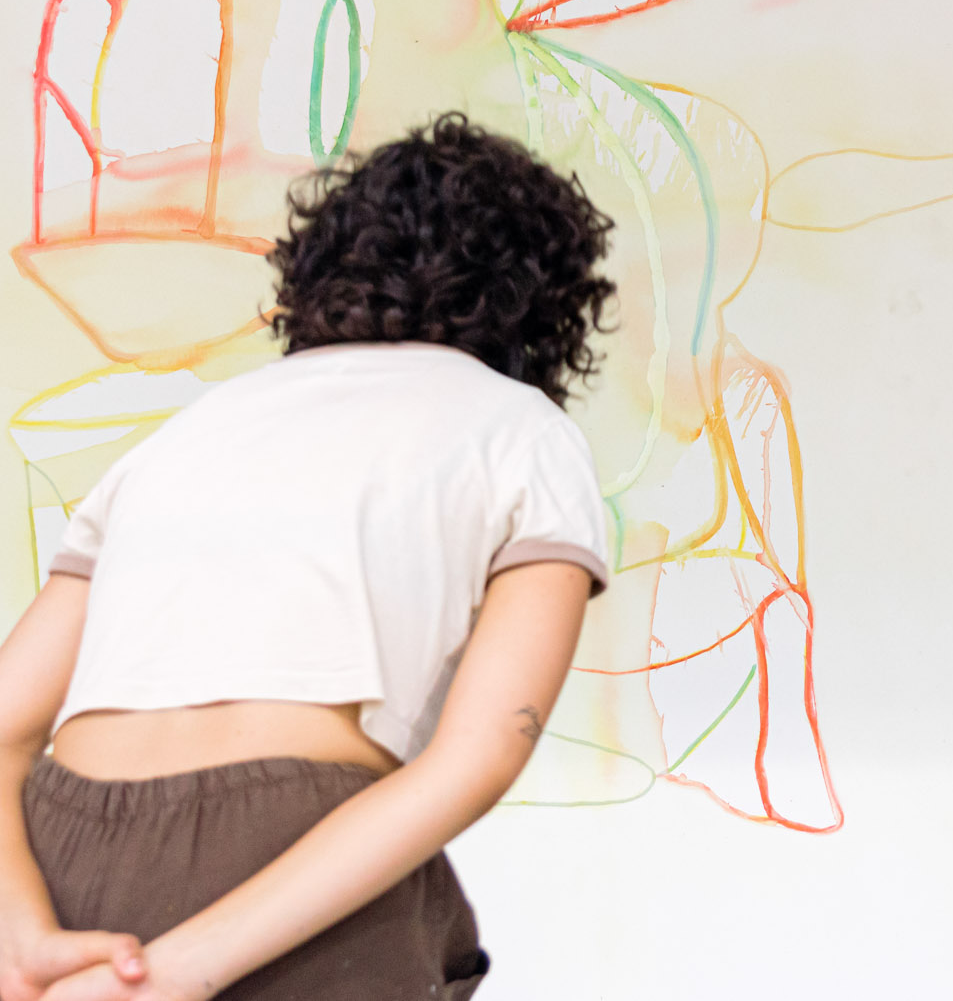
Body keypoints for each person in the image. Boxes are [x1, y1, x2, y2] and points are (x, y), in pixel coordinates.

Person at [0, 113, 616, 1000]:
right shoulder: (523, 428)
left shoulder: (191, 429)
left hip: (63, 844)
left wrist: (23, 939)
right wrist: (171, 974)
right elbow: (478, 757)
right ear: (547, 307)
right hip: (287, 838)